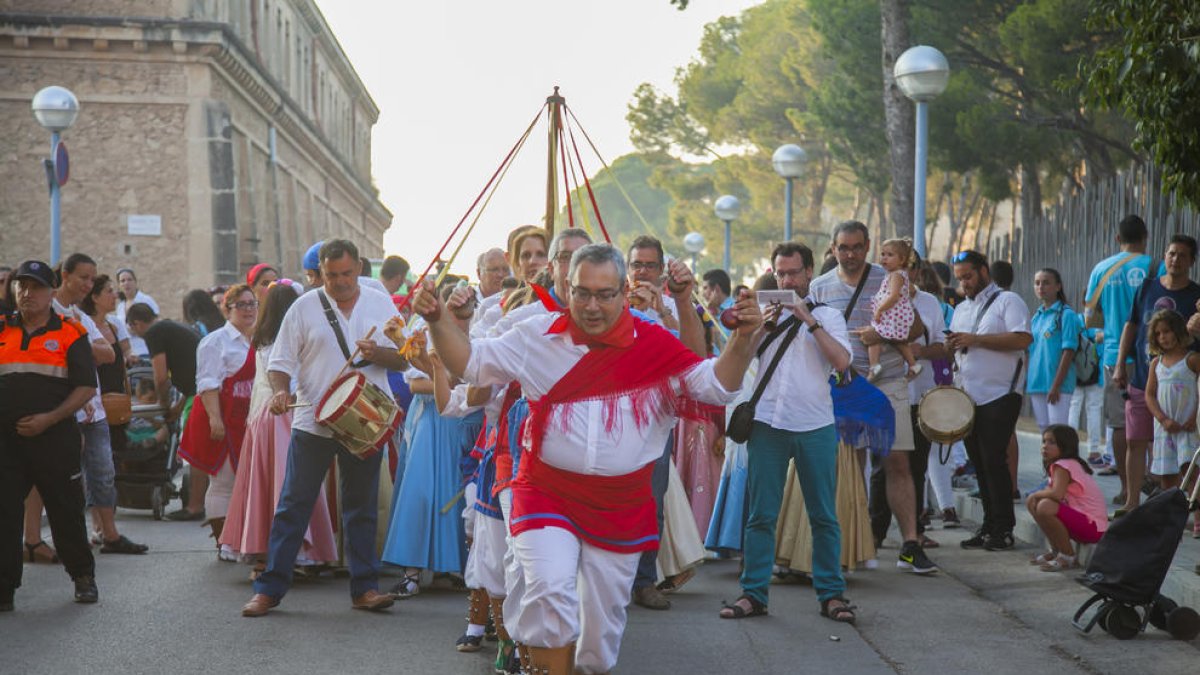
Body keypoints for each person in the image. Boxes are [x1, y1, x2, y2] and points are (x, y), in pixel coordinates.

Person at [412, 242, 755, 674]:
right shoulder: (536, 336)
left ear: (623, 290)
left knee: (599, 632)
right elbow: (471, 364)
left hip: (621, 504)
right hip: (544, 493)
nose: (592, 306)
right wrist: (438, 318)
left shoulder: (652, 343)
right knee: (548, 590)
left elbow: (714, 387)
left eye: (605, 294)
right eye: (582, 293)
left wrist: (743, 341)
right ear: (566, 287)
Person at [242, 239, 407, 617]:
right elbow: (280, 361)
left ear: (359, 268)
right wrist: (281, 392)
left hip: (364, 419)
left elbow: (404, 358)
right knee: (293, 505)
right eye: (331, 276)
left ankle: (365, 588)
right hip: (313, 419)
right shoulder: (304, 306)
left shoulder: (380, 302)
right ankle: (269, 589)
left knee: (360, 507)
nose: (340, 283)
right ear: (321, 273)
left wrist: (376, 353)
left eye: (347, 274)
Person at [718, 242, 857, 624]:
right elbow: (740, 358)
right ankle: (753, 594)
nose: (786, 279)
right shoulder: (765, 317)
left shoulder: (828, 316)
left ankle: (831, 594)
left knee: (823, 516)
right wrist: (758, 326)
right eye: (780, 273)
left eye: (793, 272)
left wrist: (808, 320)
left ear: (809, 272)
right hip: (767, 423)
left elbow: (843, 363)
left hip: (814, 424)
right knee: (761, 515)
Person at [810, 221, 936, 573]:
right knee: (850, 467)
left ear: (867, 246)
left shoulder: (890, 276)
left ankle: (910, 544)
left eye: (856, 247)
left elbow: (916, 328)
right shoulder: (820, 287)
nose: (850, 254)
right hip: (845, 386)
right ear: (833, 249)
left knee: (897, 463)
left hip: (889, 380)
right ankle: (851, 544)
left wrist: (878, 332)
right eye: (843, 248)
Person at [1, 260, 100, 609]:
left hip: (54, 439)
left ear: (51, 292)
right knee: (4, 515)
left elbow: (87, 386)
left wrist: (49, 418)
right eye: (21, 286)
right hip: (7, 443)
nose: (26, 293)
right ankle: (4, 588)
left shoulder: (70, 333)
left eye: (36, 287)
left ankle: (83, 577)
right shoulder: (2, 328)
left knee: (65, 511)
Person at [221, 281, 336, 572]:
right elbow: (295, 383)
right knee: (296, 486)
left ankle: (265, 553)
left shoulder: (261, 341)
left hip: (263, 418)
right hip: (290, 414)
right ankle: (300, 552)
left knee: (267, 487)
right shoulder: (293, 342)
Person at [54, 254, 147, 554]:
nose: (88, 284)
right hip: (66, 406)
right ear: (65, 276)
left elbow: (107, 354)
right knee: (68, 476)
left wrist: (77, 340)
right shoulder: (54, 313)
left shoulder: (77, 317)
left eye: (92, 279)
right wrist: (83, 345)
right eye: (84, 278)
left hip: (95, 406)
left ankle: (110, 533)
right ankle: (72, 537)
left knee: (103, 471)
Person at [947, 250, 1032, 552]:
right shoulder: (961, 309)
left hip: (1001, 393)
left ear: (984, 271)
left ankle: (1003, 528)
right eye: (959, 279)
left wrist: (976, 340)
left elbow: (1022, 339)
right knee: (979, 462)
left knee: (994, 459)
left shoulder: (1009, 301)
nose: (964, 284)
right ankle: (988, 526)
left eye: (968, 276)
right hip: (969, 397)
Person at [1114, 234, 1200, 515]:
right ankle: (1131, 502)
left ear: (1192, 262)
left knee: (1185, 454)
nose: (1175, 259)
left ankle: (1187, 509)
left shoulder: (1196, 296)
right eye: (1171, 253)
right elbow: (1132, 324)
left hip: (1183, 386)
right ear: (1164, 256)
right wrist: (1119, 364)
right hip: (1143, 376)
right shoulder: (1147, 287)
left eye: (1182, 255)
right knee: (1135, 440)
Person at [178, 285, 258, 549]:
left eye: (252, 303)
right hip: (221, 417)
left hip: (247, 418)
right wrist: (216, 420)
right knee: (223, 481)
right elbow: (208, 384)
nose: (248, 309)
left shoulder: (259, 339)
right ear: (227, 308)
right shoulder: (214, 342)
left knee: (246, 482)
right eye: (242, 305)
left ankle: (239, 538)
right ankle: (223, 542)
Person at [1084, 215, 1155, 498]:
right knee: (1155, 419)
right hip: (1152, 356)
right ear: (1145, 237)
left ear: (1117, 239)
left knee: (1119, 423)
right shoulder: (1153, 266)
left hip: (1114, 357)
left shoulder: (1101, 269)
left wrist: (1111, 323)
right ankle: (1158, 484)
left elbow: (1089, 318)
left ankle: (1128, 489)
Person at [1025, 425, 1106, 571]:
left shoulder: (1064, 465)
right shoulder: (1062, 464)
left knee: (1043, 505)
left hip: (1093, 527)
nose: (1045, 446)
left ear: (1065, 445)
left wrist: (1035, 494)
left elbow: (1057, 494)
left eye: (1052, 442)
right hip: (1084, 524)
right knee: (1033, 502)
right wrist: (1034, 497)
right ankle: (1056, 550)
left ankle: (1068, 555)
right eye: (1044, 441)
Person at [1143, 310, 1200, 494]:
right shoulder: (1156, 364)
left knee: (1191, 473)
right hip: (1165, 428)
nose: (1163, 337)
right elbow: (1149, 395)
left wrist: (1194, 417)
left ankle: (1197, 519)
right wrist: (1163, 419)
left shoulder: (1192, 360)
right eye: (1158, 334)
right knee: (1167, 478)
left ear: (1177, 330)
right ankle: (1172, 521)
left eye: (1167, 331)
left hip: (1188, 428)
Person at [1027, 269, 1081, 429]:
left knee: (1058, 431)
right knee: (1045, 430)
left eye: (1046, 282)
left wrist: (1056, 386)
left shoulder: (1067, 315)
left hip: (1059, 386)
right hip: (1036, 383)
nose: (1040, 287)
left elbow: (1069, 351)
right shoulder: (1036, 317)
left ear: (1058, 286)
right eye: (1037, 283)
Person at [866, 238, 921, 382]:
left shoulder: (896, 275)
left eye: (890, 255)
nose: (884, 258)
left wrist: (879, 310)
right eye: (883, 254)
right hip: (896, 314)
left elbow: (894, 296)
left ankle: (874, 366)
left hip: (893, 314)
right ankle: (913, 364)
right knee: (899, 341)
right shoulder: (897, 274)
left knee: (873, 336)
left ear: (902, 259)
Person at [114, 267, 158, 357]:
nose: (126, 283)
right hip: (130, 353)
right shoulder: (120, 306)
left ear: (135, 282)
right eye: (122, 281)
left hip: (146, 349)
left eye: (129, 280)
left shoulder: (146, 300)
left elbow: (156, 321)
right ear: (119, 285)